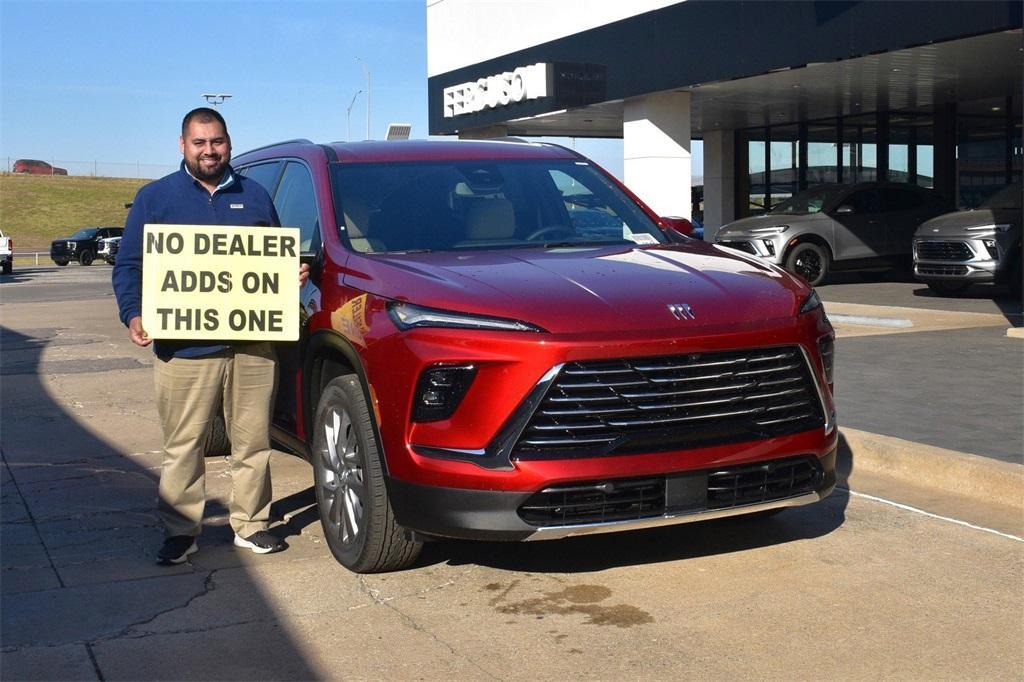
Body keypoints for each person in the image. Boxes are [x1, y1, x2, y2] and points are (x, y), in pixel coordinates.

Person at [113, 107, 308, 565]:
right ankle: (181, 531)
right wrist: (133, 314)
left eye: (216, 141)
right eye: (199, 142)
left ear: (229, 143)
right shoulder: (155, 198)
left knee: (253, 440)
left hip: (252, 345)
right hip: (184, 348)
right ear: (182, 145)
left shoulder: (256, 195)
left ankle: (252, 524)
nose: (209, 150)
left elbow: (274, 258)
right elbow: (129, 266)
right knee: (184, 444)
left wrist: (289, 274)